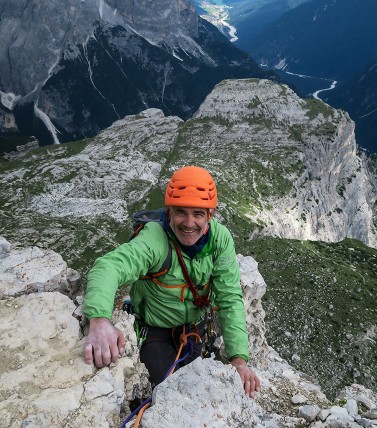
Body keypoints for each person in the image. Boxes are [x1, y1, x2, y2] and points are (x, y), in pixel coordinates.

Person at [83, 165, 260, 398]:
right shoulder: (155, 239)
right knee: (163, 393)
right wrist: (99, 320)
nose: (188, 223)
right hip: (155, 329)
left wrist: (239, 360)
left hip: (195, 329)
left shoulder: (220, 240)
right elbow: (108, 267)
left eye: (198, 214)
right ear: (169, 213)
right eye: (181, 213)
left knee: (198, 390)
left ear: (210, 215)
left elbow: (229, 298)